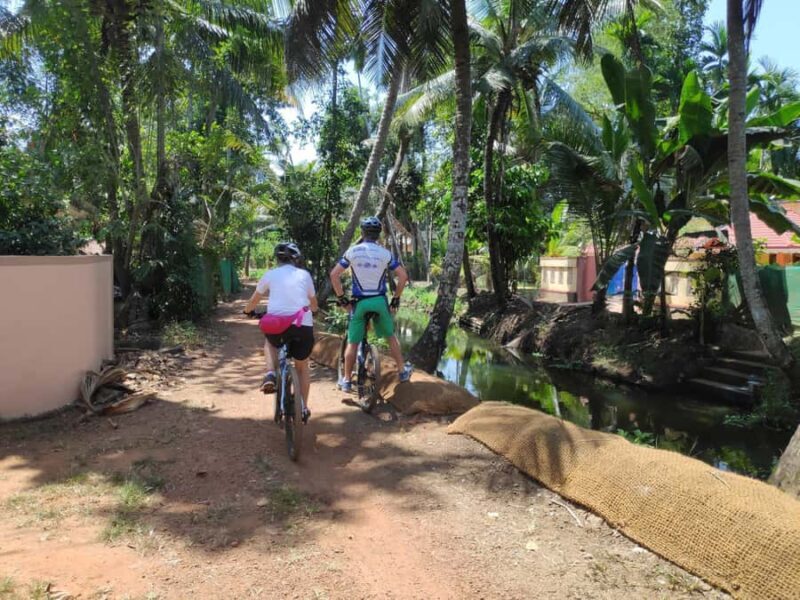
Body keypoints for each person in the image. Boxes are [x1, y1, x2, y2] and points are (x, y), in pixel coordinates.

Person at [330, 216, 413, 392]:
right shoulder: (385, 254)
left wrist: (342, 298)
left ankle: (345, 380)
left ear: (362, 233)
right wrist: (396, 298)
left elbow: (334, 275)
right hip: (379, 302)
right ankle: (402, 371)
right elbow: (403, 277)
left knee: (352, 343)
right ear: (378, 235)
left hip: (360, 303)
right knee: (391, 337)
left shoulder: (353, 251)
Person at [244, 242, 317, 420]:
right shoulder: (304, 275)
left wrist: (247, 311)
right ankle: (304, 407)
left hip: (277, 327)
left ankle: (270, 373)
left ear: (277, 259)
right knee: (302, 367)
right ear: (296, 259)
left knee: (270, 342)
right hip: (302, 326)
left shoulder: (270, 275)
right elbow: (313, 305)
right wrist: (312, 310)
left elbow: (254, 300)